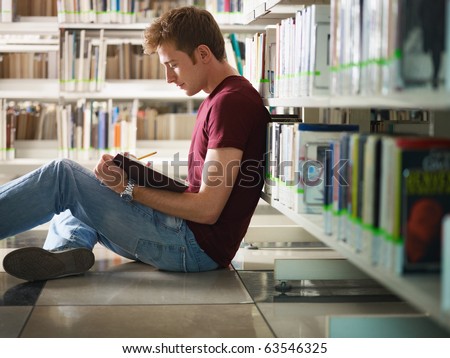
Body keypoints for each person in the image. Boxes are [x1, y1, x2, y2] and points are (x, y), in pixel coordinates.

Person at [0, 6, 271, 281]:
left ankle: (68, 245)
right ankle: (68, 250)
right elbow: (203, 192)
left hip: (191, 248)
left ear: (203, 54)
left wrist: (129, 188)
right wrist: (134, 174)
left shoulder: (231, 102)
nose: (169, 78)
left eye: (173, 65)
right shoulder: (221, 97)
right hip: (188, 240)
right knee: (81, 197)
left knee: (62, 176)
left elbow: (207, 209)